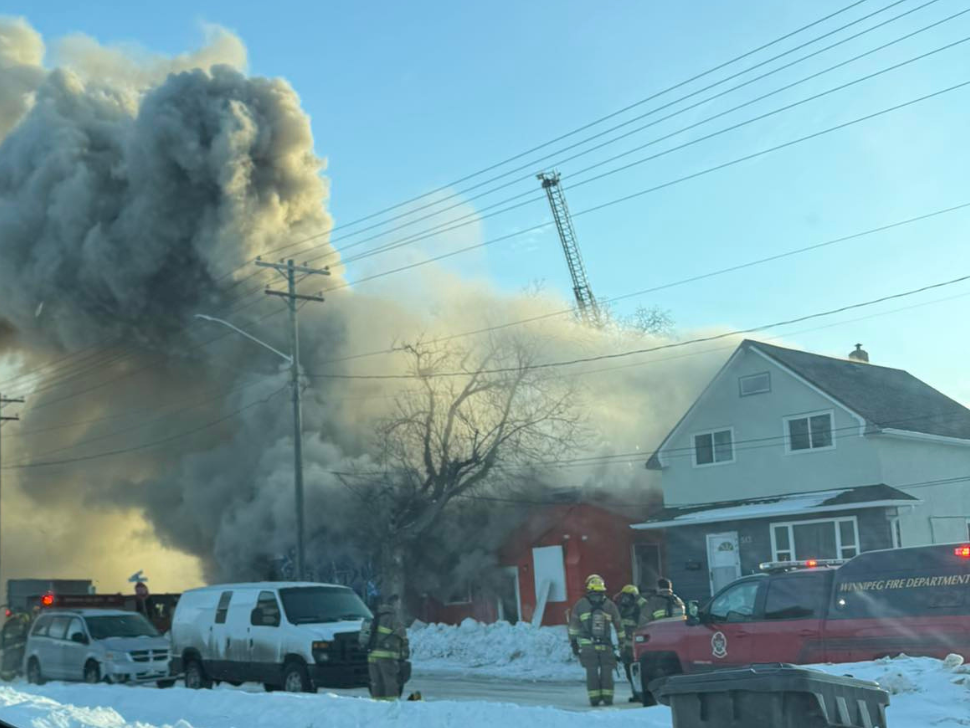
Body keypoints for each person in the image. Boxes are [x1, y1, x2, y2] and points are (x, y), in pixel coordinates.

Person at [568, 574, 627, 707]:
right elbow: (619, 626)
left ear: (588, 588)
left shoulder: (580, 604)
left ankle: (594, 699)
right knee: (607, 672)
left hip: (588, 646)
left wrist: (574, 644)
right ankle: (608, 699)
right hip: (606, 646)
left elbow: (573, 627)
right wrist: (622, 643)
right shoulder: (610, 605)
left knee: (591, 672)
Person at [366, 594, 410, 701]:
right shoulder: (392, 617)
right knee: (390, 682)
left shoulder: (376, 615)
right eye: (399, 603)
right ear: (394, 603)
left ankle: (378, 705)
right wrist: (405, 652)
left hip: (372, 655)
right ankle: (391, 705)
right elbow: (402, 635)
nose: (399, 606)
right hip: (386, 656)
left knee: (377, 683)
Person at [614, 585, 650, 702]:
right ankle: (636, 694)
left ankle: (644, 694)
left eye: (627, 596)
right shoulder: (622, 607)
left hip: (638, 646)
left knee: (640, 671)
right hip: (627, 646)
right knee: (630, 672)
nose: (625, 598)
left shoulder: (642, 606)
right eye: (623, 595)